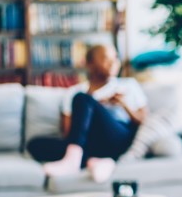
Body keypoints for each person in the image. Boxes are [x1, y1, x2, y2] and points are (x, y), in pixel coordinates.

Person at [28, 44, 148, 183]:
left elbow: (143, 121)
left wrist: (123, 104)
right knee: (35, 145)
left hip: (117, 138)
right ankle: (98, 161)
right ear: (90, 64)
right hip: (87, 143)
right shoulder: (73, 92)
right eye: (105, 58)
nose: (113, 63)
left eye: (115, 58)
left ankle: (75, 161)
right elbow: (68, 133)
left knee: (83, 99)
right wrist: (91, 109)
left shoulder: (128, 85)